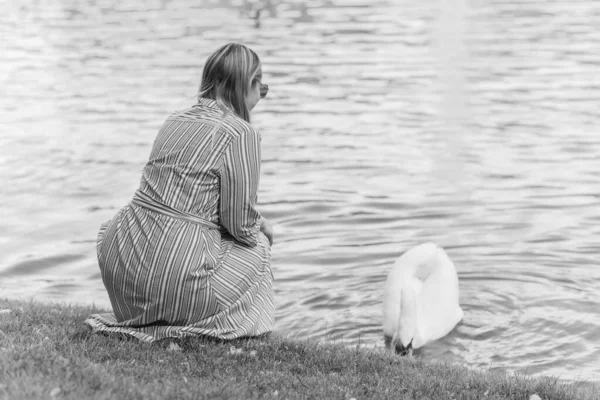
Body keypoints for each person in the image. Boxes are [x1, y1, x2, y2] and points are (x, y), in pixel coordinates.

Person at [85, 43, 274, 342]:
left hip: (120, 262)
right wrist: (263, 228)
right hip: (174, 275)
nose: (259, 98)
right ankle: (217, 322)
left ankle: (152, 310)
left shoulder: (174, 119)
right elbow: (240, 225)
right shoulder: (242, 132)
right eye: (261, 89)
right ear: (250, 84)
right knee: (259, 246)